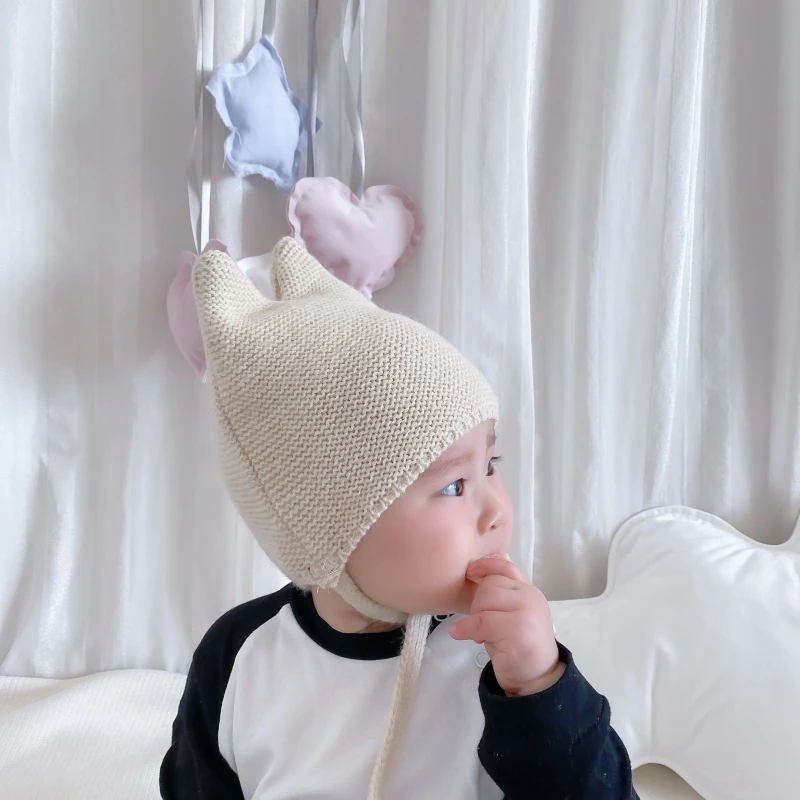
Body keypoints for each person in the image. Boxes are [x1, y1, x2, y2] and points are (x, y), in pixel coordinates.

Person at [160, 238, 637, 799]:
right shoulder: (242, 659)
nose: (496, 510)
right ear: (330, 528)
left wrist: (540, 688)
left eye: (492, 464)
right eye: (455, 485)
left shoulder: (497, 653)